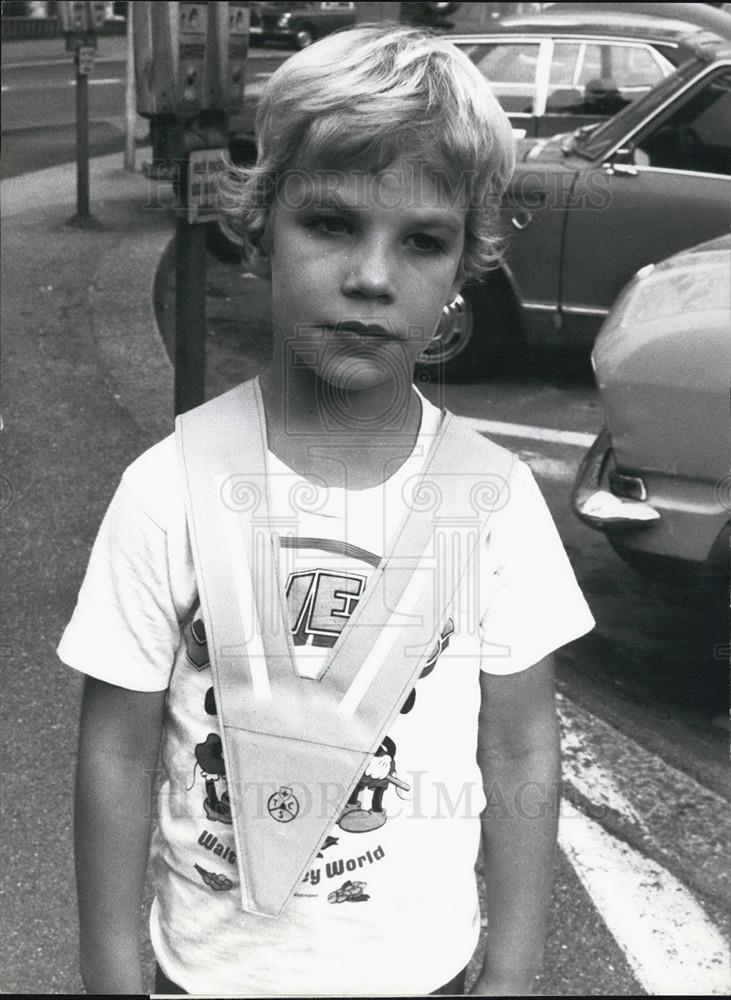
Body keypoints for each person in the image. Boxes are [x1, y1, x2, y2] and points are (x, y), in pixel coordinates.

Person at [59, 23, 594, 996]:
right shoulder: (164, 489)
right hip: (204, 973)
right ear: (259, 227)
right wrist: (109, 965)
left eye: (421, 241)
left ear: (461, 270)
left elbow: (517, 741)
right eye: (332, 222)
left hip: (424, 971)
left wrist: (513, 965)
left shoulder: (493, 501)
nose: (371, 277)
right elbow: (119, 743)